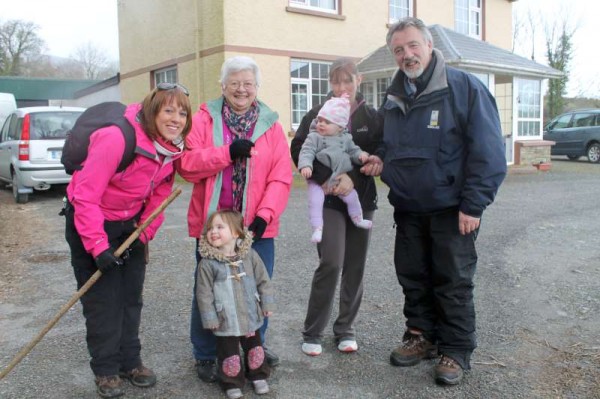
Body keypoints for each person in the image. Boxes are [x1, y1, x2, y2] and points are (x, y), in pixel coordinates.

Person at [368, 17, 507, 385]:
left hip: (452, 209)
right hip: (409, 208)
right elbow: (389, 141)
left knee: (453, 280)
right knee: (413, 276)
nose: (406, 54)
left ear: (429, 46)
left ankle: (456, 350)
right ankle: (421, 337)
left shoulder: (463, 88)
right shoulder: (394, 95)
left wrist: (473, 204)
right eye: (399, 49)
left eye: (413, 45)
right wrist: (380, 157)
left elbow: (489, 151)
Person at [63, 83, 192, 398]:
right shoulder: (117, 138)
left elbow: (161, 193)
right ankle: (106, 370)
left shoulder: (171, 148)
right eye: (169, 110)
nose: (176, 118)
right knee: (103, 301)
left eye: (182, 112)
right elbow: (85, 196)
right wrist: (98, 247)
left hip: (130, 225)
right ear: (152, 111)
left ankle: (130, 361)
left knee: (130, 297)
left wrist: (144, 232)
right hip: (90, 223)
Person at [177, 56, 292, 383]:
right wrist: (227, 153)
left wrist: (265, 216)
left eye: (248, 83)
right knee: (210, 290)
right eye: (235, 83)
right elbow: (186, 164)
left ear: (256, 87)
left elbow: (281, 177)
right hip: (214, 228)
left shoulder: (271, 124)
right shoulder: (203, 119)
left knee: (255, 288)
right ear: (223, 85)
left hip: (255, 227)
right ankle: (206, 353)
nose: (241, 89)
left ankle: (254, 347)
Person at [290, 58, 383, 356]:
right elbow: (299, 148)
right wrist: (325, 177)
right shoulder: (318, 114)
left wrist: (353, 179)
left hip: (360, 199)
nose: (342, 87)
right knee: (331, 261)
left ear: (359, 79)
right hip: (329, 199)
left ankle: (345, 328)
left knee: (355, 265)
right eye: (336, 81)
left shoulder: (372, 116)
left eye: (347, 80)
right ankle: (313, 331)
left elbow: (379, 153)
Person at [196, 210, 274, 399]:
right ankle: (231, 382)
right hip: (225, 318)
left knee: (254, 347)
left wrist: (266, 303)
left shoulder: (249, 256)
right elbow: (203, 294)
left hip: (249, 313)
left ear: (236, 233)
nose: (213, 231)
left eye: (220, 227)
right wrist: (210, 317)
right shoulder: (207, 264)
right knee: (228, 353)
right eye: (210, 228)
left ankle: (258, 375)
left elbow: (263, 280)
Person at [297, 94, 373, 243]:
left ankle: (358, 218)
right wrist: (306, 165)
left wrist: (361, 155)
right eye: (320, 120)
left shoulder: (345, 138)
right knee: (315, 200)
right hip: (318, 181)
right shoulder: (314, 137)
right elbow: (306, 151)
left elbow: (353, 151)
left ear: (340, 127)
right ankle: (317, 228)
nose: (321, 124)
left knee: (352, 197)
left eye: (327, 122)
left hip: (339, 178)